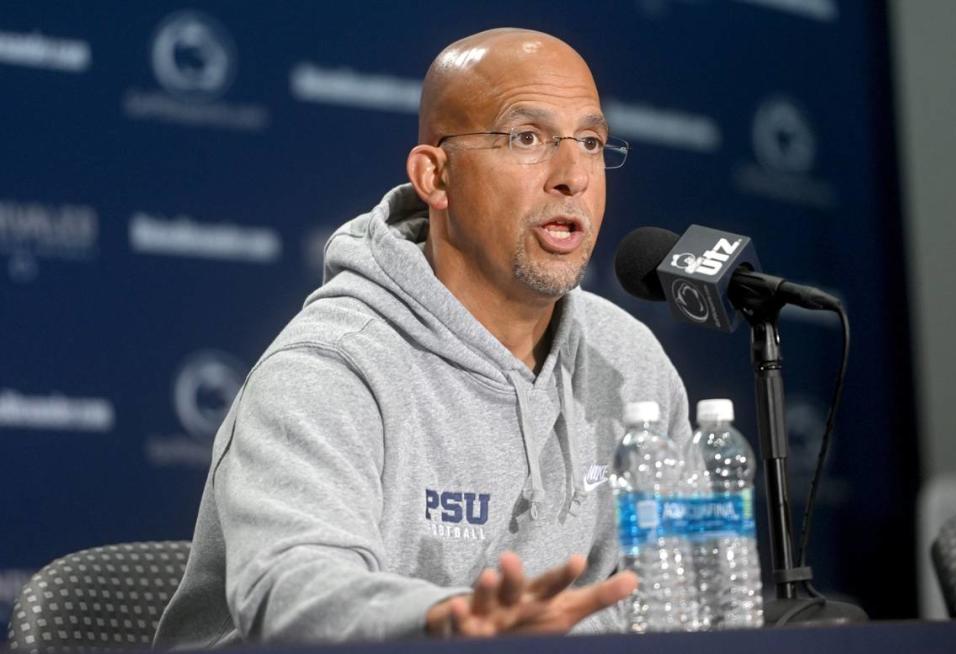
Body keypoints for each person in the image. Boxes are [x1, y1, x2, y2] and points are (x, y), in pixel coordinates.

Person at [153, 27, 691, 647]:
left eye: (591, 142)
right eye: (527, 138)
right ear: (436, 177)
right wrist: (452, 624)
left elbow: (685, 588)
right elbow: (294, 590)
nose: (573, 175)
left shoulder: (628, 361)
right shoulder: (329, 368)